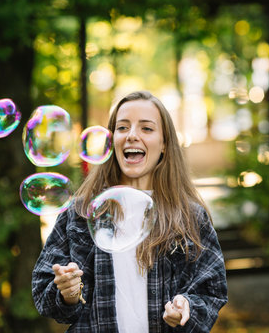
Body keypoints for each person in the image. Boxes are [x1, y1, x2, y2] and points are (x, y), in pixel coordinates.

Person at [32, 91, 228, 332]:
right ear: (111, 140)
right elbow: (43, 290)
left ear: (164, 143)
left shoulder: (189, 217)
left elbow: (212, 291)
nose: (132, 135)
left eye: (146, 128)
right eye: (123, 128)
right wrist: (68, 294)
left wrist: (187, 307)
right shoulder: (81, 213)